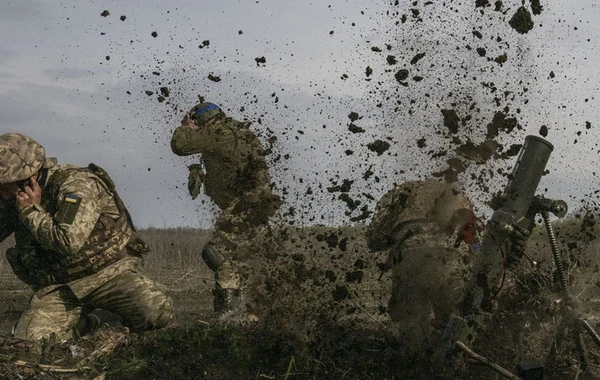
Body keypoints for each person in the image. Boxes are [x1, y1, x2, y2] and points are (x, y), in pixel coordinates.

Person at [0, 133, 173, 342]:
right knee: (30, 342)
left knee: (157, 311)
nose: (2, 193)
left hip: (108, 275)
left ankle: (109, 317)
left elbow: (68, 241)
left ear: (28, 179)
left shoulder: (77, 185)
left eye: (3, 186)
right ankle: (90, 323)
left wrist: (31, 212)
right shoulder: (12, 197)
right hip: (62, 287)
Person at [171, 101, 282, 320]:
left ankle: (230, 311)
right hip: (252, 206)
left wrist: (185, 127)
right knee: (239, 260)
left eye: (197, 122)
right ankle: (251, 313)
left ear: (205, 120)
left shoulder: (221, 132)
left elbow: (180, 145)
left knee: (217, 252)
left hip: (249, 206)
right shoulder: (234, 133)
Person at [366, 179, 480, 346]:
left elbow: (375, 237)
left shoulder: (403, 191)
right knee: (456, 320)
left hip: (411, 253)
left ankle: (414, 361)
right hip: (451, 256)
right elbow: (475, 240)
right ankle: (457, 359)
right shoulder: (457, 194)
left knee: (411, 322)